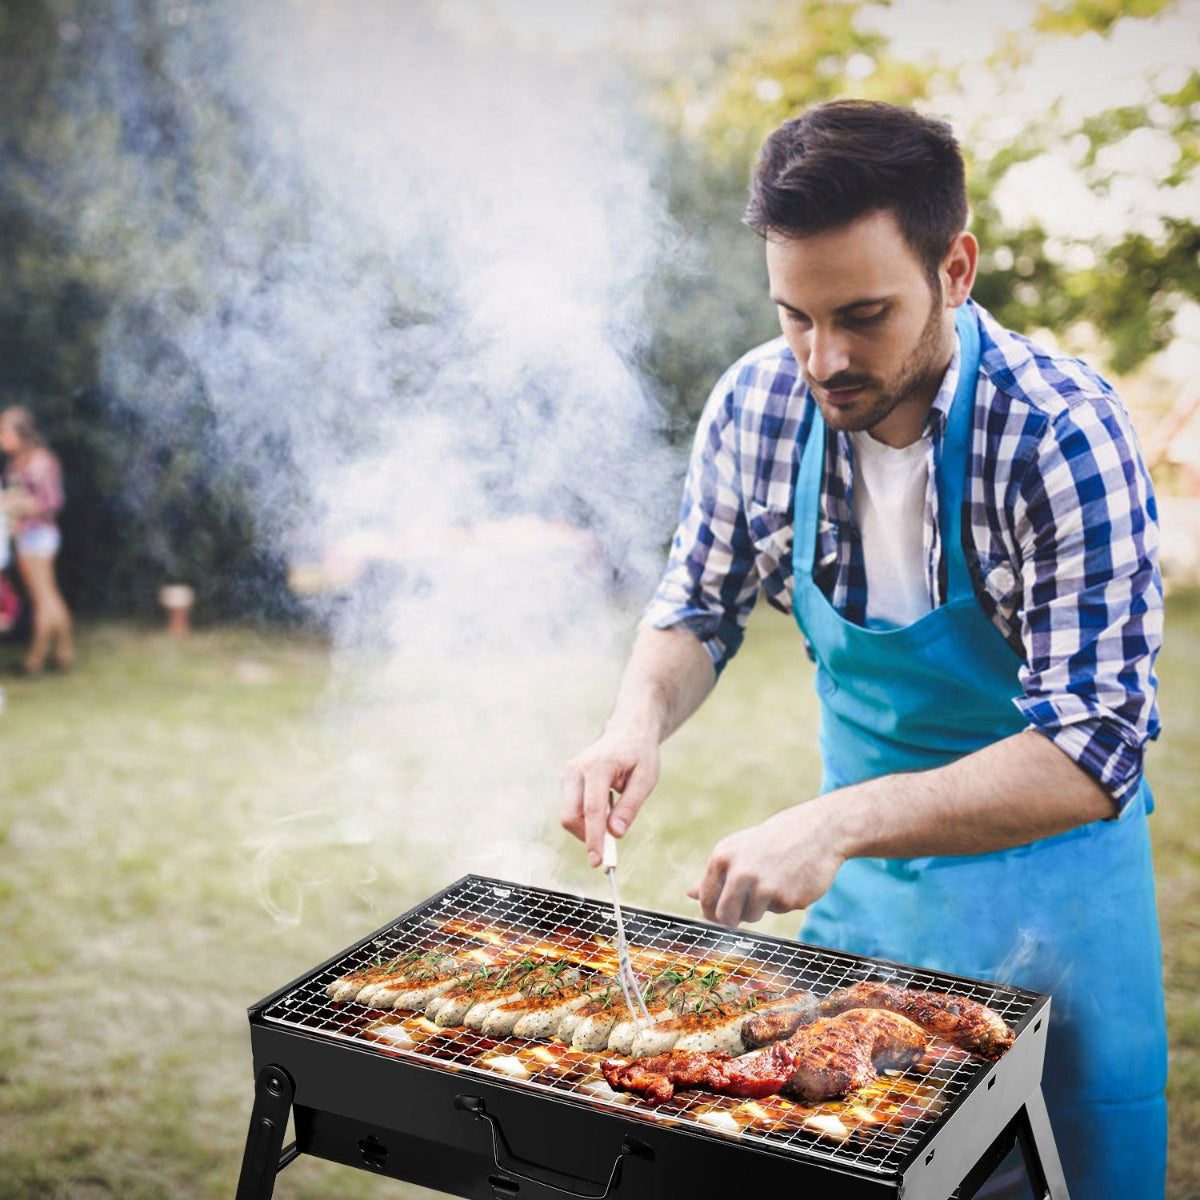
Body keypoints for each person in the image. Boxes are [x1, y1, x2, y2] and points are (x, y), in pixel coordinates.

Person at [560, 101, 1165, 1198]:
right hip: (867, 909)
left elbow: (1093, 749)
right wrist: (633, 722)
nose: (823, 358)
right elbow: (697, 604)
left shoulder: (1061, 434)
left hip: (1059, 920)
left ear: (957, 268)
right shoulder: (758, 403)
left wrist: (836, 821)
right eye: (795, 314)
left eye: (864, 315)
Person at [0, 406, 74, 674]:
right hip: (23, 535)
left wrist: (20, 504)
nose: (1, 438)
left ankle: (36, 658)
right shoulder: (14, 464)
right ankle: (64, 653)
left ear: (20, 432)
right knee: (46, 595)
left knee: (45, 596)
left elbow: (52, 502)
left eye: (4, 432)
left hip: (40, 535)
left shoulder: (42, 461)